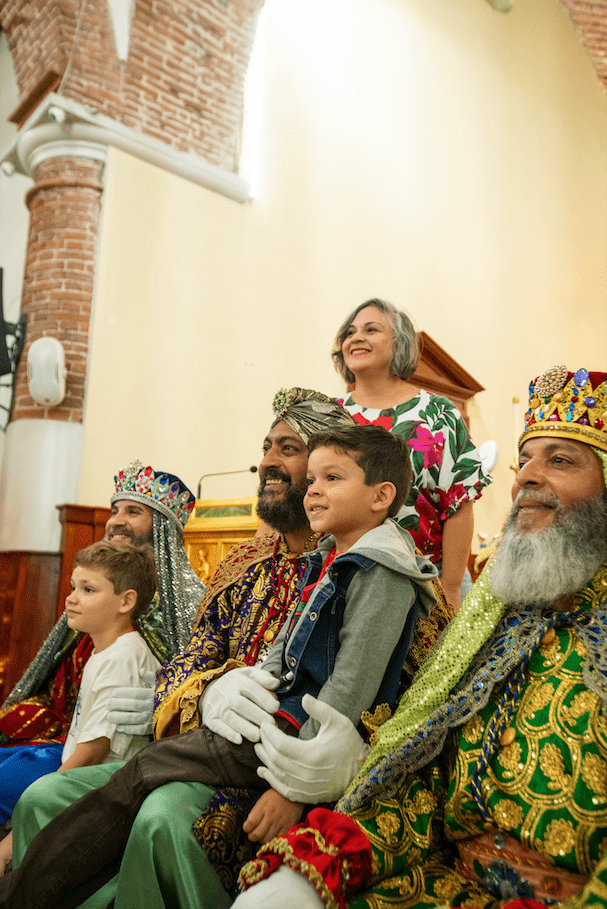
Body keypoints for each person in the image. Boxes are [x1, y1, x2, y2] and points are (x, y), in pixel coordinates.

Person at [0, 420, 442, 909]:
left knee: (151, 794)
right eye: (271, 451)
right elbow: (254, 651)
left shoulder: (381, 571)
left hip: (291, 749)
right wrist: (222, 688)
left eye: (318, 471)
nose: (292, 475)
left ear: (380, 496)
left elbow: (353, 691)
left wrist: (293, 785)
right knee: (52, 793)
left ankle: (26, 895)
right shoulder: (286, 564)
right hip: (256, 724)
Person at [234, 363, 607, 909]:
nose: (526, 475)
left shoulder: (383, 574)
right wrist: (332, 852)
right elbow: (424, 782)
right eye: (525, 458)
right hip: (443, 880)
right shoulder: (494, 630)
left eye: (561, 460)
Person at [0, 462, 202, 822]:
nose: (116, 520)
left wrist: (163, 706)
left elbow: (200, 685)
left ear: (163, 528)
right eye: (114, 510)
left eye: (133, 511)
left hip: (110, 756)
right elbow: (55, 675)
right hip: (71, 732)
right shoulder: (94, 590)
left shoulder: (191, 604)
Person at [0, 540, 161, 873]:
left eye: (88, 589)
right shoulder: (108, 650)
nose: (71, 598)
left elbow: (93, 752)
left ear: (126, 601)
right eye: (74, 587)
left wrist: (20, 831)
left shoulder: (122, 658)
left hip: (101, 785)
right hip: (82, 770)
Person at [332, 298, 492, 610]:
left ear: (400, 343)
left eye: (371, 329)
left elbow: (458, 504)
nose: (356, 338)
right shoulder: (330, 416)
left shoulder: (437, 412)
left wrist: (451, 589)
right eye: (350, 332)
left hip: (422, 584)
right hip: (343, 583)